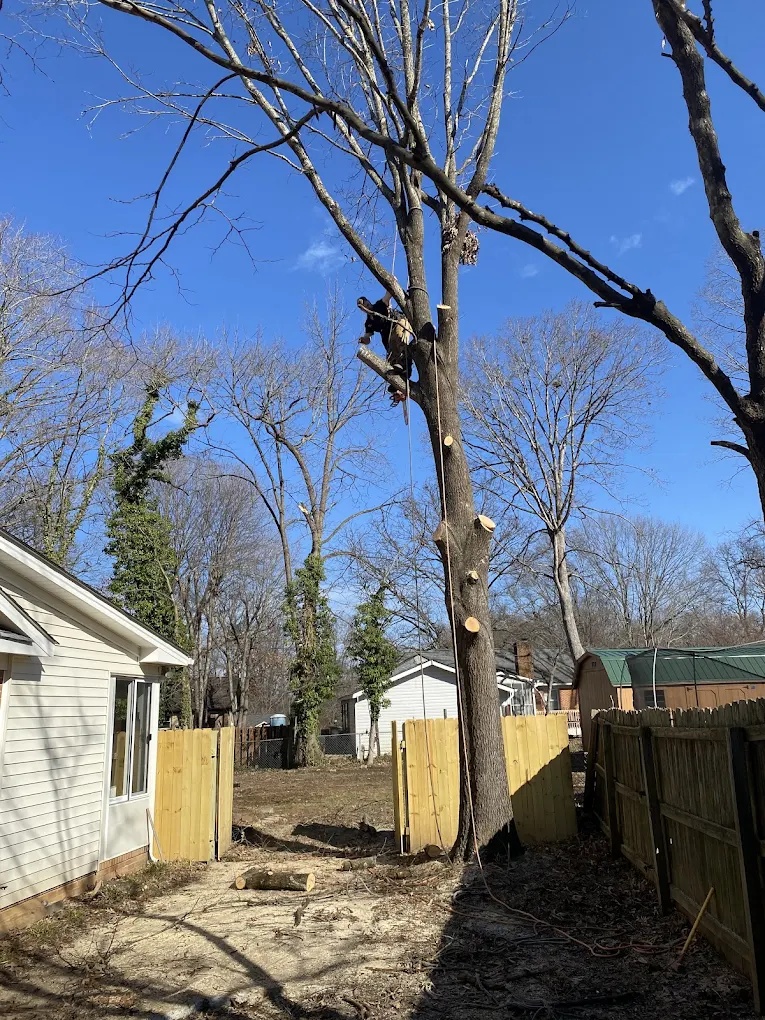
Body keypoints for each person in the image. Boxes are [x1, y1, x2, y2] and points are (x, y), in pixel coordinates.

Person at [357, 291, 412, 404]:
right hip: (388, 339)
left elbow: (388, 296)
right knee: (391, 361)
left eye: (367, 304)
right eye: (364, 307)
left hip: (399, 323)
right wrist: (363, 340)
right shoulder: (369, 322)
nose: (368, 307)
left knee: (397, 339)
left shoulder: (378, 305)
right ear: (362, 310)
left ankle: (404, 365)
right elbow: (368, 338)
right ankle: (398, 388)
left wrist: (392, 282)